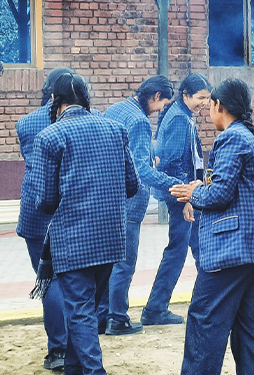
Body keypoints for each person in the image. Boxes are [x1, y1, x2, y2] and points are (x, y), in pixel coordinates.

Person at [169, 78, 254, 375]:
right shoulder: (246, 136)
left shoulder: (231, 137)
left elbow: (219, 194)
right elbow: (228, 187)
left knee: (204, 322)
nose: (209, 113)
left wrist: (194, 192)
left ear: (219, 105)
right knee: (250, 328)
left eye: (210, 106)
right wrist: (200, 189)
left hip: (231, 250)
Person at [30, 73, 138, 375]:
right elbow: (132, 185)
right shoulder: (115, 129)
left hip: (73, 241)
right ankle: (74, 369)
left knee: (80, 313)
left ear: (55, 100)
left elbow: (46, 201)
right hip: (112, 240)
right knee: (84, 310)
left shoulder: (50, 136)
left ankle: (94, 371)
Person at [100, 76, 179, 335]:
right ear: (155, 96)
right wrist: (175, 183)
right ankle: (118, 318)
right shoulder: (140, 121)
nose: (160, 110)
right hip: (129, 203)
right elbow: (141, 170)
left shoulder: (116, 109)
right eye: (162, 104)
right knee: (124, 264)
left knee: (106, 263)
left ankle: (102, 317)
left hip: (106, 198)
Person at [16, 67, 75, 371]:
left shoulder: (25, 123)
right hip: (70, 210)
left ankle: (57, 350)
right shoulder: (83, 120)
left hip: (36, 211)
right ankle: (75, 346)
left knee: (48, 279)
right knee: (72, 281)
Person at [143, 73, 212, 326]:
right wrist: (186, 199)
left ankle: (208, 298)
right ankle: (155, 308)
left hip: (186, 194)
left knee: (200, 248)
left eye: (207, 98)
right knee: (178, 251)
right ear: (185, 95)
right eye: (200, 98)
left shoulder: (182, 115)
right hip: (182, 196)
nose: (205, 103)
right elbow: (172, 163)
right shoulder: (179, 119)